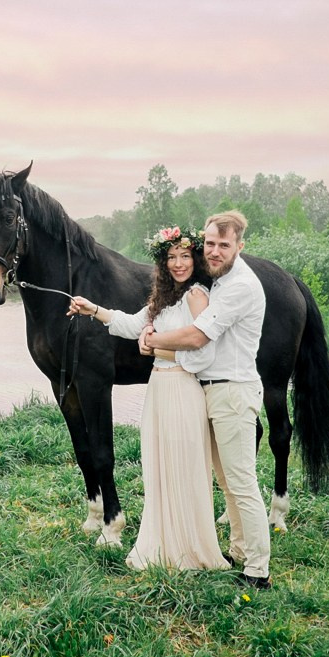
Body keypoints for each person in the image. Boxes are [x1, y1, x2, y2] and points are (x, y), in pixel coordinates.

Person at [68, 226, 230, 572]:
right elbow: (129, 324)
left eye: (185, 256)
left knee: (183, 464)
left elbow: (205, 353)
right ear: (163, 262)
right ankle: (161, 541)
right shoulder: (163, 299)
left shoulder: (197, 296)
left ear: (195, 259)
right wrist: (92, 308)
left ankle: (191, 547)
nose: (179, 263)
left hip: (183, 389)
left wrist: (159, 347)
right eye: (171, 257)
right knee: (158, 464)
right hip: (158, 390)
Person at [141, 211, 271, 589]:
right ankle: (239, 551)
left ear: (240, 246)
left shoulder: (241, 286)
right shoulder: (219, 283)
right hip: (210, 390)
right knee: (227, 481)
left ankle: (258, 570)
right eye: (210, 244)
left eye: (223, 246)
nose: (214, 252)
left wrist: (151, 341)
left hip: (232, 391)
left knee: (243, 482)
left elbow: (198, 338)